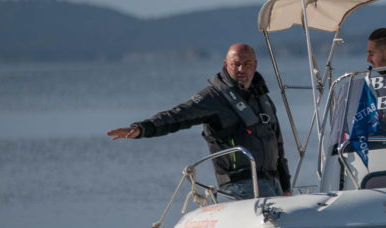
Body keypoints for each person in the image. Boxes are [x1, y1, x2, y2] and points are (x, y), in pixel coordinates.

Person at [107, 43, 290, 199]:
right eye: (236, 64)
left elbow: (278, 144)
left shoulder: (263, 99)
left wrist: (286, 186)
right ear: (226, 65)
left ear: (255, 65)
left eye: (247, 63)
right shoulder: (213, 97)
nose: (242, 69)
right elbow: (178, 115)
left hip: (273, 185)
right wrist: (142, 129)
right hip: (240, 187)